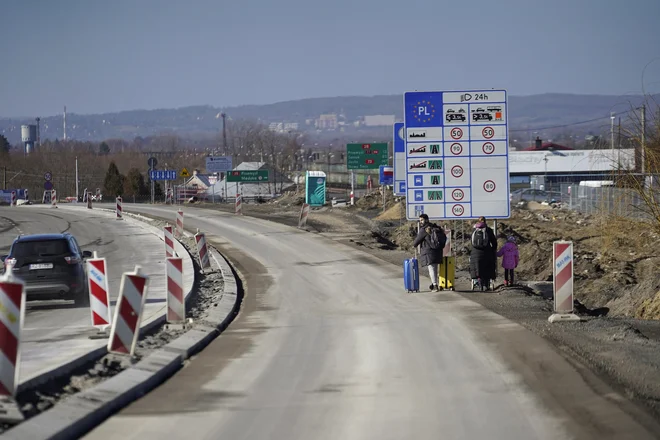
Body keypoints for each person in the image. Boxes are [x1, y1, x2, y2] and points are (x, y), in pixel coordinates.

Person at [412, 214, 446, 292]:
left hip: (429, 252)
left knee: (431, 268)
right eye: (420, 220)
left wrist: (415, 245)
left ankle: (434, 285)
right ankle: (435, 283)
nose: (420, 222)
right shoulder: (436, 227)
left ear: (426, 220)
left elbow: (416, 242)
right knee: (435, 268)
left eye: (421, 220)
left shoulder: (424, 229)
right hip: (438, 251)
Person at [469, 216, 498, 291]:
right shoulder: (488, 230)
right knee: (487, 267)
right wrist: (493, 249)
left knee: (477, 267)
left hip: (475, 252)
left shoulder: (474, 230)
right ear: (485, 222)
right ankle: (486, 284)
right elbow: (494, 242)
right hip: (486, 252)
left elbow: (471, 242)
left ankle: (478, 281)